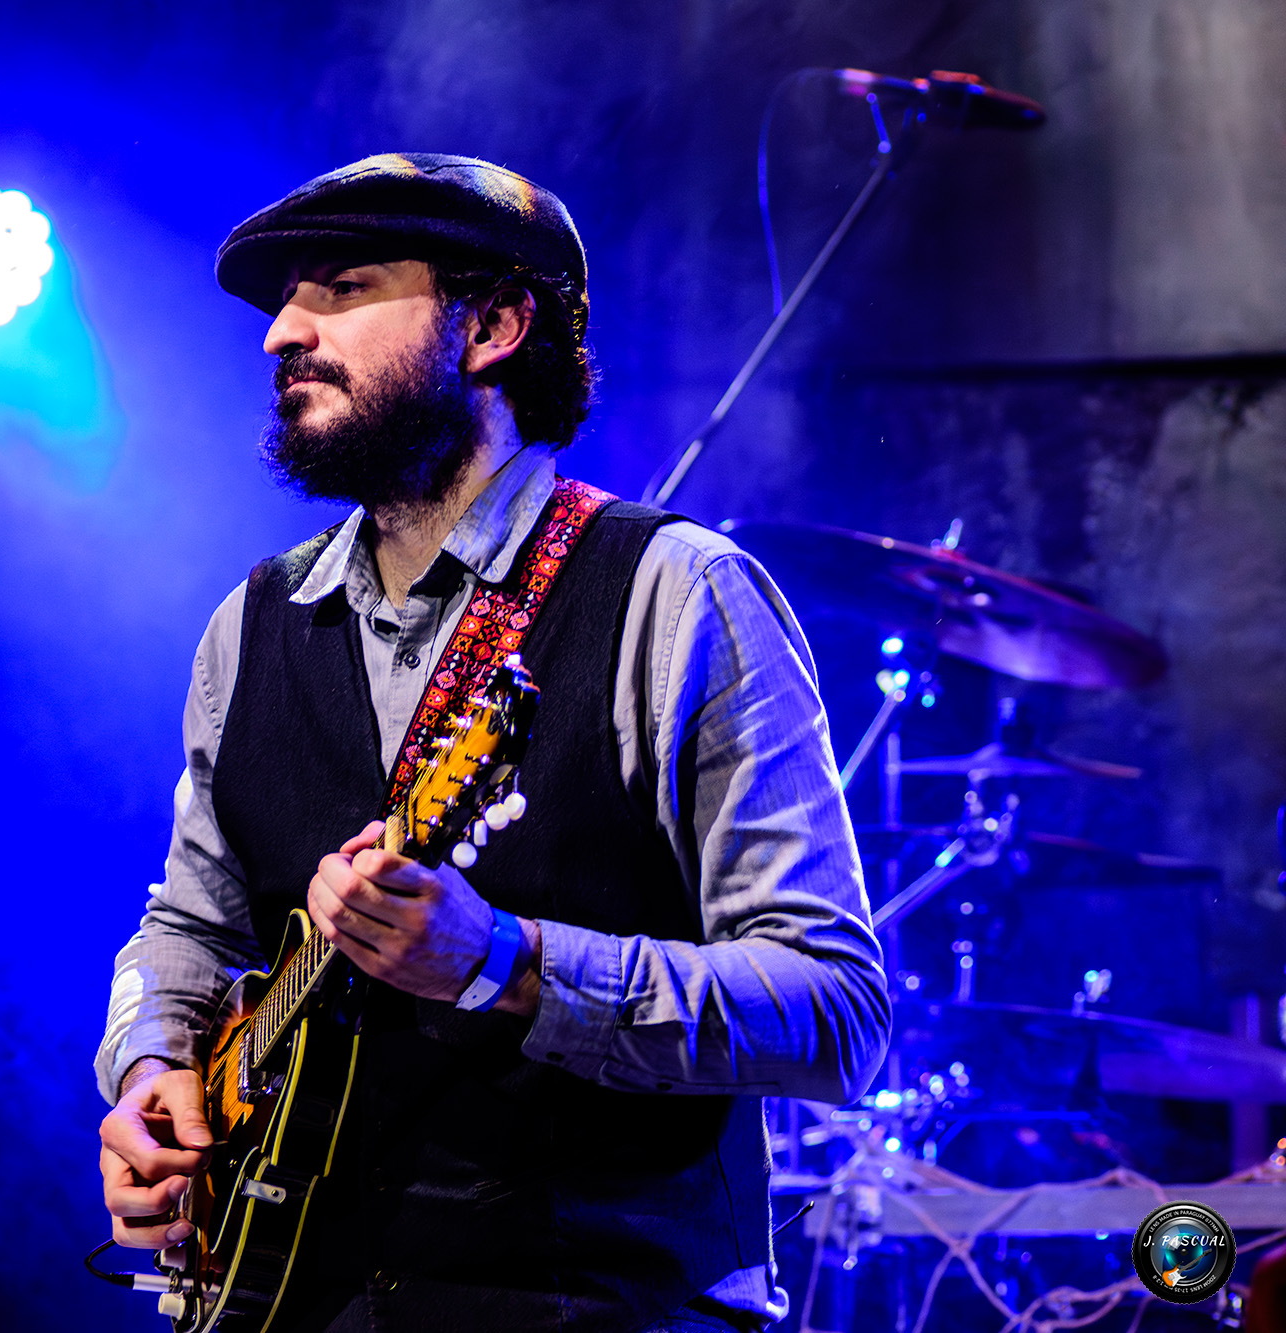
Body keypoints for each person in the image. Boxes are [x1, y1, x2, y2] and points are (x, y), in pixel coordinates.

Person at [95, 152, 890, 1333]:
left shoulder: (680, 593)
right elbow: (189, 927)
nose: (280, 334)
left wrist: (508, 961)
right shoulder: (250, 624)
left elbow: (834, 1011)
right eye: (284, 303)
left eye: (341, 288)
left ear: (492, 327)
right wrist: (154, 1067)